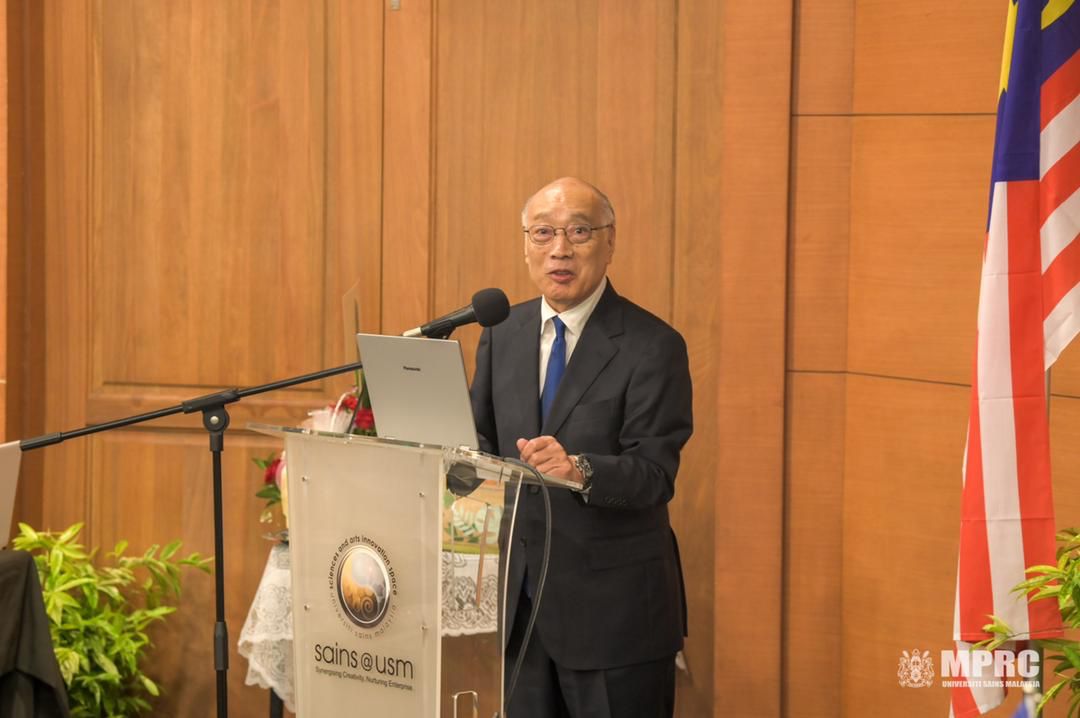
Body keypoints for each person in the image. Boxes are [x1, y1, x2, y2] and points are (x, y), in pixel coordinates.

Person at [470, 177, 694, 717]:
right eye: (543, 233)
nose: (560, 250)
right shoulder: (502, 332)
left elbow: (654, 474)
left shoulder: (652, 345)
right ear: (526, 244)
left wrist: (578, 470)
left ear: (609, 241)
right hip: (520, 610)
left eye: (579, 232)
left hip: (615, 619)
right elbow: (479, 439)